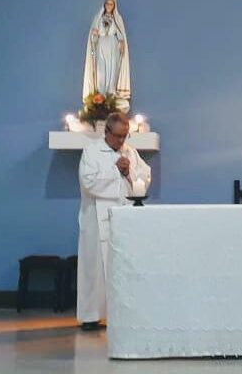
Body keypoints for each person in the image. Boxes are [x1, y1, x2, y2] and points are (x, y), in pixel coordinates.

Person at [77, 112, 150, 331]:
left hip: (123, 218)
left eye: (125, 136)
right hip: (96, 218)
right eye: (118, 136)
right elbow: (88, 182)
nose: (121, 141)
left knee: (122, 267)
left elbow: (144, 178)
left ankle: (123, 314)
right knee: (95, 269)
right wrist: (114, 169)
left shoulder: (131, 152)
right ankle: (91, 316)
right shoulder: (91, 152)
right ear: (106, 132)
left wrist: (130, 173)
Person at [82, 0, 131, 112]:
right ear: (104, 5)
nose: (109, 6)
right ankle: (101, 94)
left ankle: (111, 93)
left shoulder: (117, 19)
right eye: (107, 4)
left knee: (112, 70)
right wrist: (94, 35)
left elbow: (121, 34)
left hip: (113, 48)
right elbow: (94, 34)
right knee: (101, 71)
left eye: (111, 4)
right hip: (101, 47)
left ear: (114, 6)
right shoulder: (98, 18)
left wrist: (121, 42)